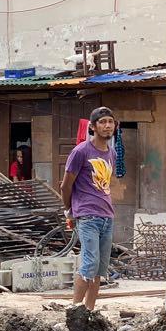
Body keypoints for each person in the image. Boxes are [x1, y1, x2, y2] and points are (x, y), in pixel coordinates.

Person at [60, 107, 117, 311]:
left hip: (107, 216)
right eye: (102, 122)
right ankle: (75, 311)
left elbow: (106, 184)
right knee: (90, 263)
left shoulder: (112, 153)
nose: (107, 125)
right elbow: (66, 186)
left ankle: (90, 312)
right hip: (86, 215)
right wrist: (69, 210)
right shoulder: (81, 152)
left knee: (100, 269)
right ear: (93, 127)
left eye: (110, 121)